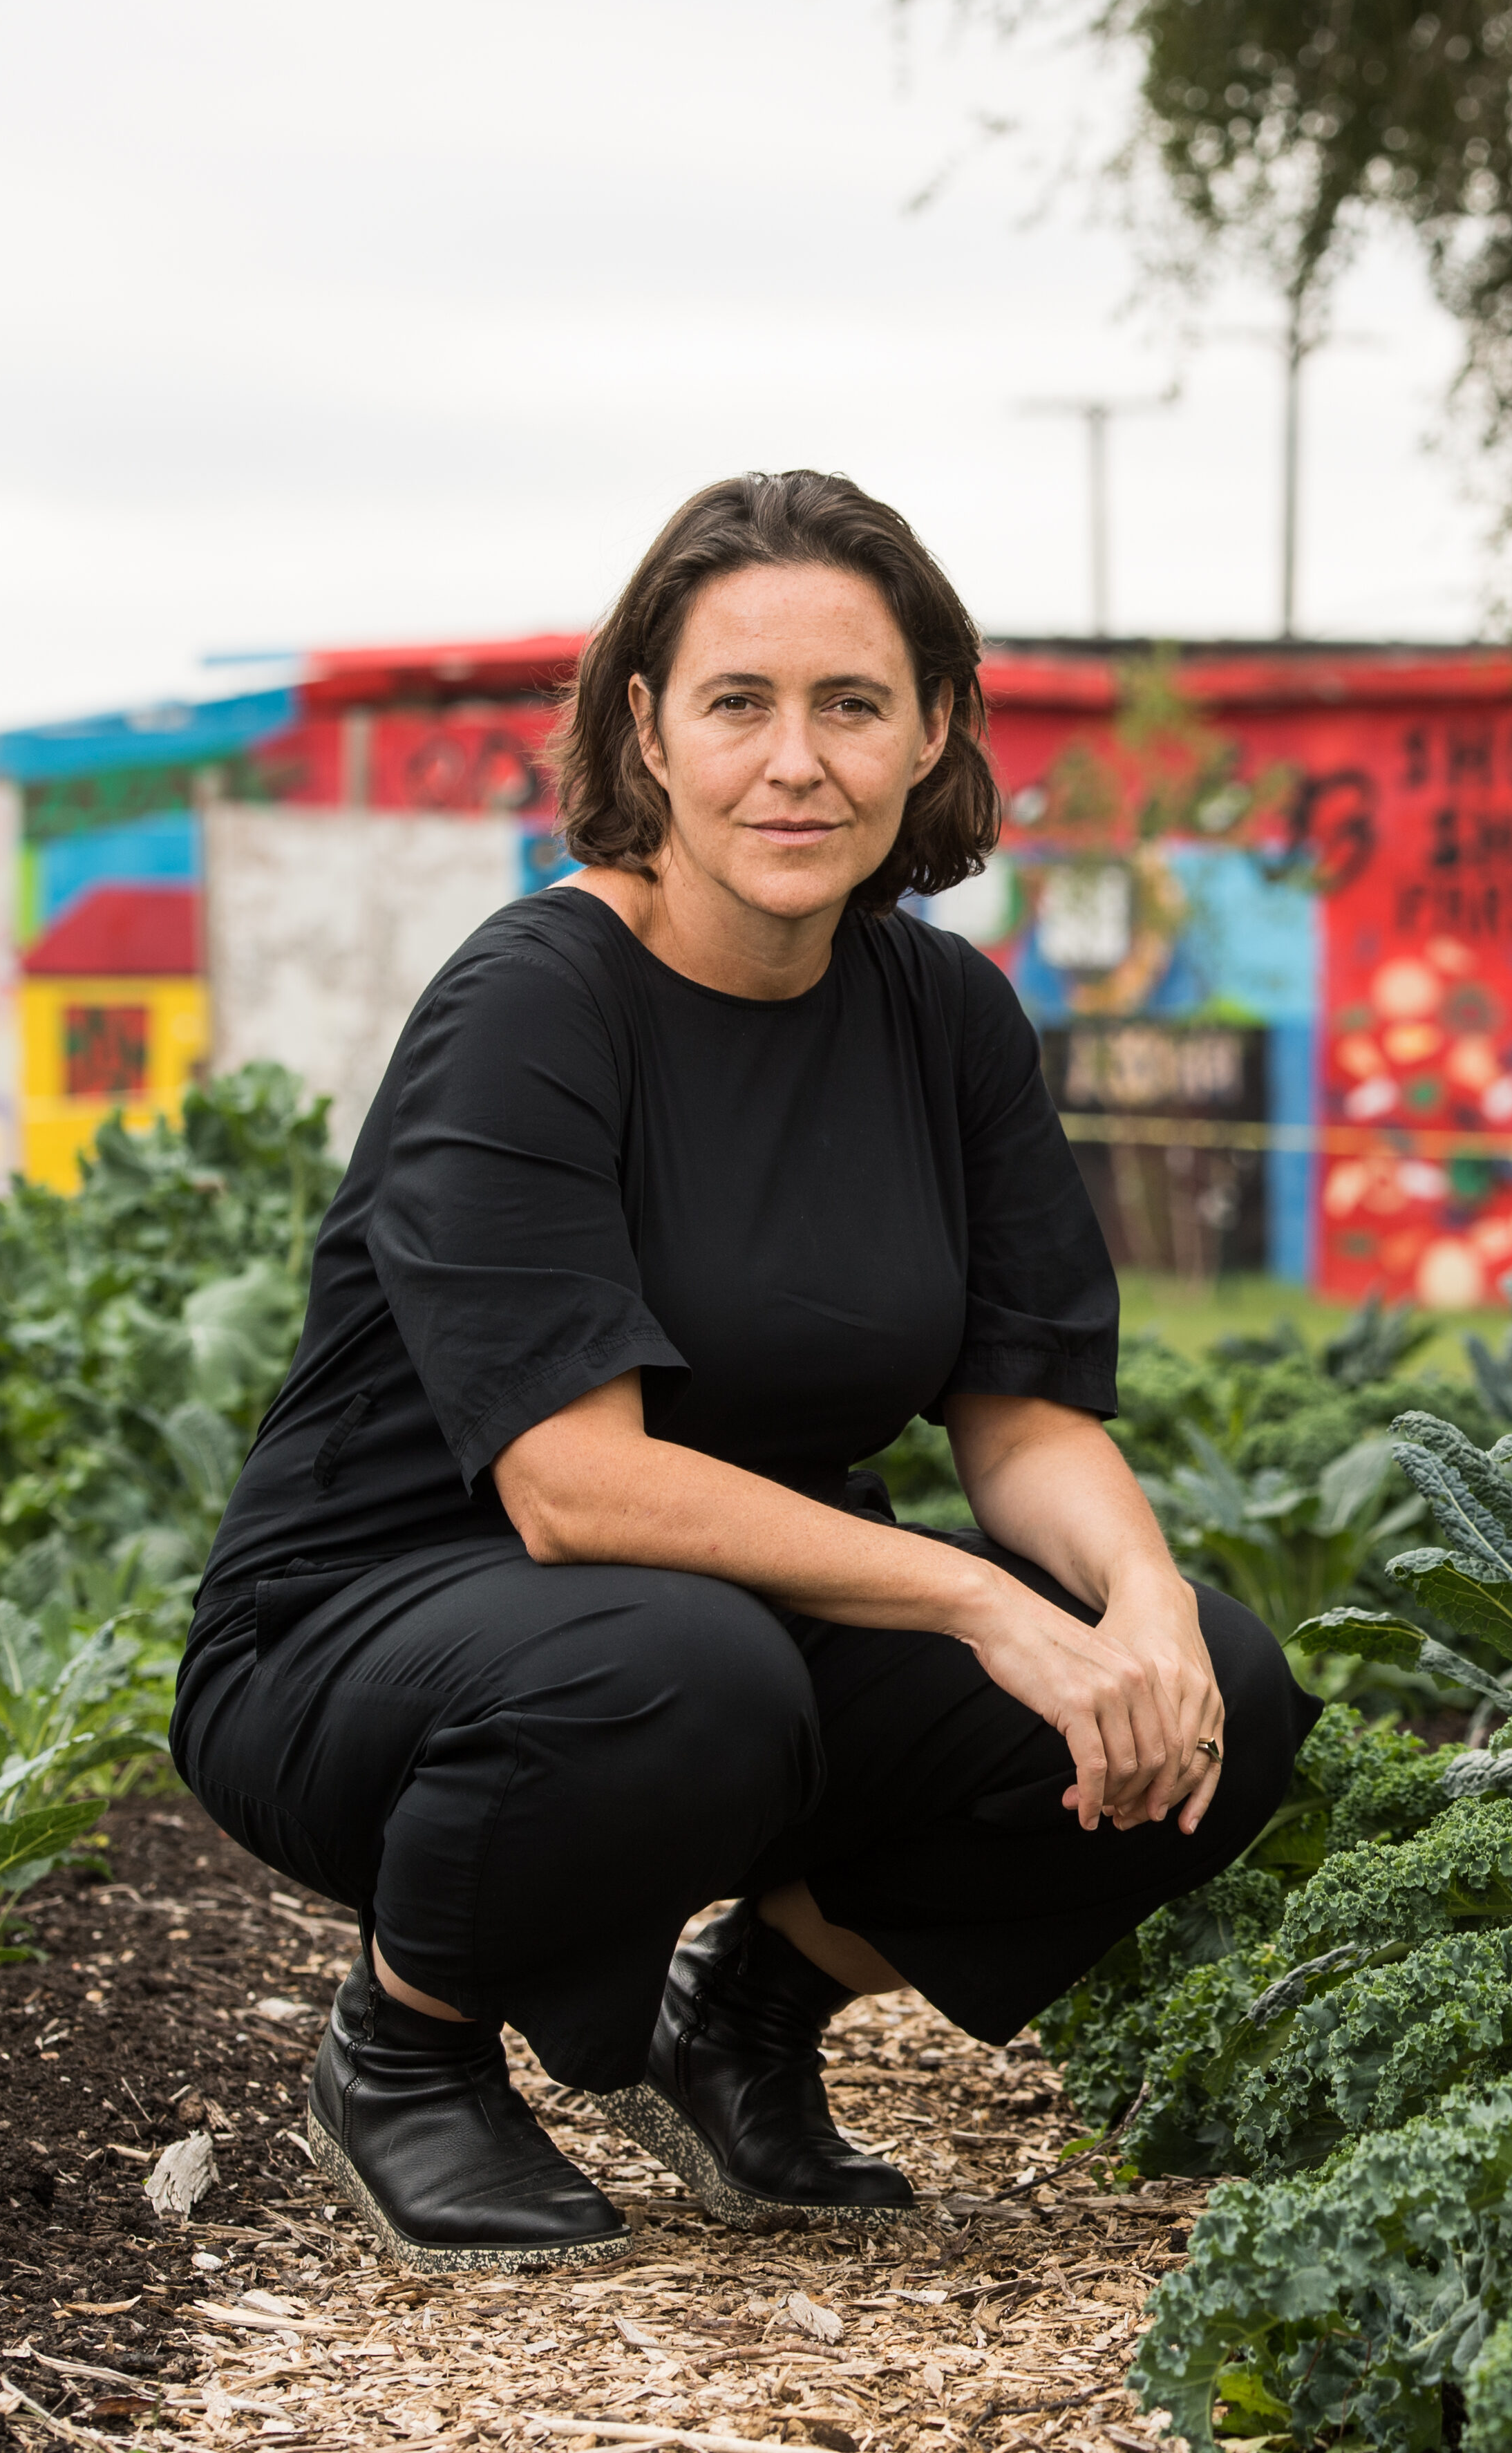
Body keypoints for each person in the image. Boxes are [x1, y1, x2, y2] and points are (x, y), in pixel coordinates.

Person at [170, 470, 1312, 2273]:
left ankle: (750, 2013)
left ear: (932, 729)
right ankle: (405, 2051)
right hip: (379, 1631)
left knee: (1217, 1690)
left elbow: (1021, 1412)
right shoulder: (535, 1003)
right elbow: (575, 1486)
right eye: (740, 703)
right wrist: (975, 1605)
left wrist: (1142, 1604)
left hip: (735, 1626)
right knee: (682, 1666)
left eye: (853, 705)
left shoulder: (945, 1019)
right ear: (648, 726)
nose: (800, 760)